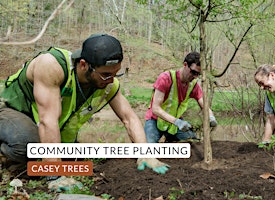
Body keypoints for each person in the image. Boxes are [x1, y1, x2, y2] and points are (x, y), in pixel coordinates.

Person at [0, 34, 170, 192]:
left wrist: (145, 155)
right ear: (83, 65)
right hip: (11, 111)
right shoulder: (51, 65)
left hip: (45, 127)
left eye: (116, 73)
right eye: (105, 74)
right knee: (29, 145)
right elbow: (48, 120)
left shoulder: (108, 83)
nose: (111, 79)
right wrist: (55, 174)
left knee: (75, 159)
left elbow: (129, 118)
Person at [144, 52, 217, 143]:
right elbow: (155, 109)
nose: (195, 77)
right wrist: (177, 122)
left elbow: (204, 105)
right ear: (185, 65)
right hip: (155, 120)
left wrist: (211, 116)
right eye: (193, 72)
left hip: (175, 124)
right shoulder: (166, 78)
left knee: (193, 143)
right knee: (148, 148)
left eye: (198, 74)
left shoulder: (193, 85)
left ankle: (170, 141)